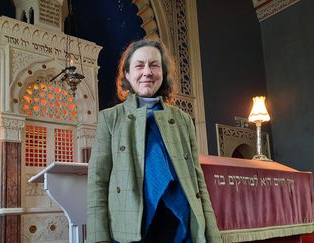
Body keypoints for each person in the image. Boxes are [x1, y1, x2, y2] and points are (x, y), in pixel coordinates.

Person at [87, 39, 222, 243]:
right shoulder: (110, 118)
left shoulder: (183, 120)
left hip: (179, 225)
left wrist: (212, 234)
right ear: (127, 74)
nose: (147, 72)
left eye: (154, 65)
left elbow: (197, 180)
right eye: (139, 65)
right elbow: (98, 180)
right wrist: (99, 237)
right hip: (130, 227)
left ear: (163, 73)